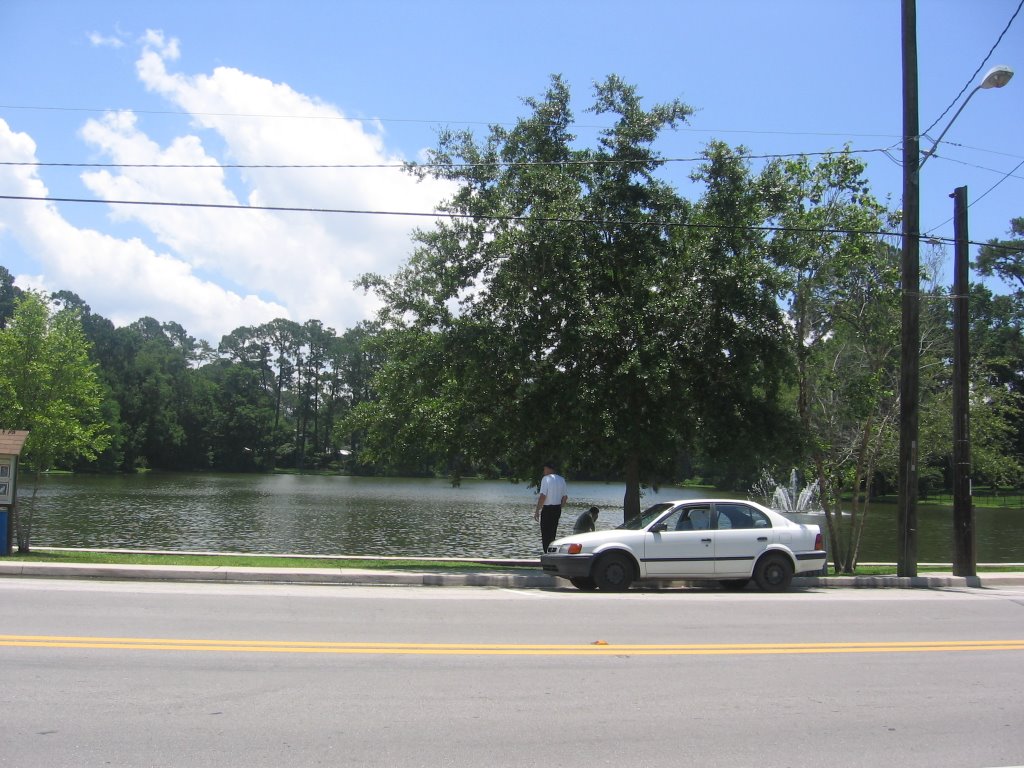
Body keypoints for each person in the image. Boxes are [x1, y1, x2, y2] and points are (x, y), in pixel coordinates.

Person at [534, 461, 568, 552]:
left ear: (549, 469)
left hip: (548, 509)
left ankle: (546, 554)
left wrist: (537, 510)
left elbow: (543, 496)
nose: (544, 471)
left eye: (544, 469)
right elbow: (565, 498)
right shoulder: (562, 479)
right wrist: (559, 507)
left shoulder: (546, 479)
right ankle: (552, 553)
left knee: (545, 534)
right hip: (557, 509)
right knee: (552, 534)